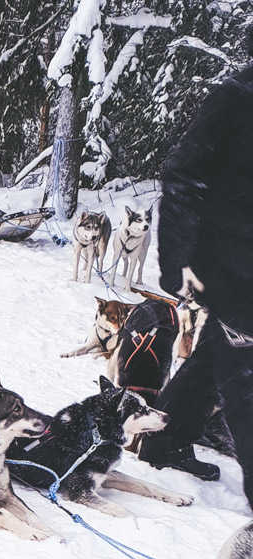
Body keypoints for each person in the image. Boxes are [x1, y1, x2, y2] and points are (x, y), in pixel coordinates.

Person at [138, 31, 253, 503]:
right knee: (245, 384)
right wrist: (175, 261)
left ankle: (164, 438)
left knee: (212, 358)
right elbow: (183, 175)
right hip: (231, 272)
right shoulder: (235, 101)